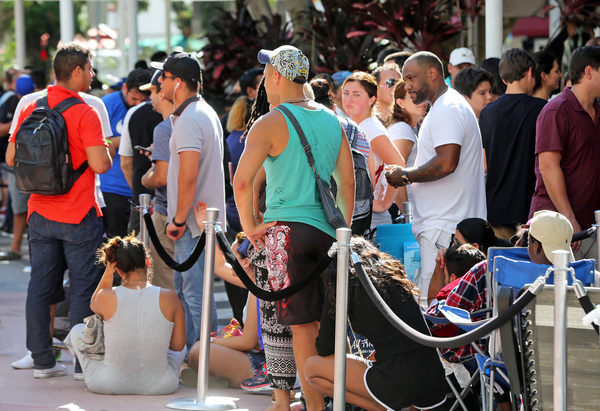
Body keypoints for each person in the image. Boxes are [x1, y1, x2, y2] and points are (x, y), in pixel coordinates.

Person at [234, 45, 355, 411]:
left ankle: (316, 408)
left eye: (266, 73)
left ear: (276, 76)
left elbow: (242, 182)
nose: (263, 81)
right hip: (328, 234)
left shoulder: (270, 121)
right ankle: (337, 401)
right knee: (329, 326)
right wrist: (343, 235)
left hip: (287, 233)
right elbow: (347, 184)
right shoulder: (332, 118)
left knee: (302, 327)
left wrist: (250, 226)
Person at [6, 43, 113, 378]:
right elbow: (100, 164)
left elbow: (11, 158)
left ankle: (42, 362)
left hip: (39, 212)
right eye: (90, 69)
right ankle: (82, 365)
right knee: (83, 287)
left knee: (40, 286)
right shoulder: (86, 111)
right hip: (79, 213)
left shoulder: (31, 106)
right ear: (77, 71)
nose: (92, 75)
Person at [386, 51, 486, 305]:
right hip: (447, 227)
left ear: (432, 73)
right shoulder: (445, 106)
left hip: (446, 228)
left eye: (411, 77)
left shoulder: (447, 109)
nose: (407, 85)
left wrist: (405, 175)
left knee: (436, 309)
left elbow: (446, 162)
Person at [305, 237, 447, 411]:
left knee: (311, 368)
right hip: (433, 372)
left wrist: (331, 296)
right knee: (395, 364)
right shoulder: (394, 276)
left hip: (398, 379)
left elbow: (324, 348)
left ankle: (380, 409)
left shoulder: (344, 282)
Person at [151, 51, 226, 349]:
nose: (160, 82)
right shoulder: (200, 112)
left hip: (194, 224)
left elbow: (188, 175)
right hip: (199, 222)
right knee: (191, 293)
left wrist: (179, 219)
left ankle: (201, 360)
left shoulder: (190, 118)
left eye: (164, 77)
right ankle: (197, 357)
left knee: (195, 296)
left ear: (179, 82)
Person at [64, 234, 186, 394]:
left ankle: (84, 369)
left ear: (118, 270)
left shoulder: (106, 296)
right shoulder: (170, 296)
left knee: (77, 330)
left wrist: (108, 273)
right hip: (162, 385)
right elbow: (177, 346)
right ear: (147, 262)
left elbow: (94, 305)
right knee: (182, 349)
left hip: (107, 384)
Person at [529, 46, 600, 261]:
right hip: (556, 230)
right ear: (589, 72)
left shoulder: (598, 110)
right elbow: (548, 168)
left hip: (592, 228)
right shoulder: (556, 109)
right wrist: (569, 219)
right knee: (555, 284)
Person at [479, 48, 547, 240]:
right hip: (530, 208)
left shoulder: (487, 113)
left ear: (503, 79)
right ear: (529, 72)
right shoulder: (541, 109)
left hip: (496, 208)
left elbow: (484, 164)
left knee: (500, 259)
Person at [342, 71, 404, 228]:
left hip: (371, 217)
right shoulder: (355, 125)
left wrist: (384, 203)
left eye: (356, 94)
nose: (349, 99)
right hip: (358, 212)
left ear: (372, 99)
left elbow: (398, 164)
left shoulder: (371, 127)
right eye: (346, 93)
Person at [100, 68, 151, 237]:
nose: (138, 104)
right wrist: (123, 141)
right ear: (124, 88)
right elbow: (96, 143)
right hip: (111, 188)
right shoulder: (106, 105)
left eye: (143, 100)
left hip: (142, 188)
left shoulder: (154, 105)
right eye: (134, 99)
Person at [140, 70, 176, 290]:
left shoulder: (163, 128)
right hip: (191, 214)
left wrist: (146, 178)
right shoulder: (193, 119)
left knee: (165, 286)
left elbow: (160, 178)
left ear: (162, 92)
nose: (150, 97)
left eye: (152, 91)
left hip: (167, 215)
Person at [118, 71, 163, 235]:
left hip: (143, 198)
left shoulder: (134, 113)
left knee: (137, 247)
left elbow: (126, 162)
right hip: (170, 201)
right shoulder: (182, 114)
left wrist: (137, 191)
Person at [386, 78, 428, 204]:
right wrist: (405, 212)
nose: (421, 100)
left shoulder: (405, 128)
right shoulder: (402, 129)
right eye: (413, 96)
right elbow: (395, 176)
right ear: (400, 102)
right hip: (398, 208)